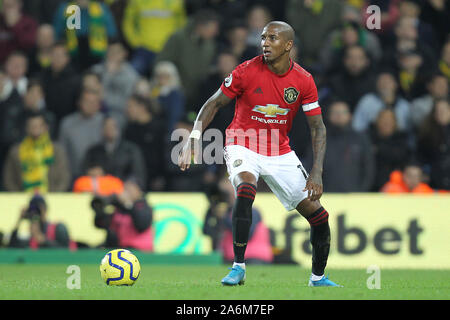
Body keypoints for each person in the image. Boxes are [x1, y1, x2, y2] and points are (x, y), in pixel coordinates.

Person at [178, 21, 341, 287]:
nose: (265, 42)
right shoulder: (245, 70)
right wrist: (193, 138)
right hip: (242, 143)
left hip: (280, 152)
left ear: (288, 45)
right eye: (263, 37)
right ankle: (238, 267)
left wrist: (317, 171)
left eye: (273, 38)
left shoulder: (303, 80)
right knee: (245, 189)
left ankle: (318, 278)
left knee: (319, 217)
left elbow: (318, 127)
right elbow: (213, 103)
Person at [203, 177, 273, 264]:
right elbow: (207, 231)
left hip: (254, 257)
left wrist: (224, 217)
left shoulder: (250, 210)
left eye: (226, 193)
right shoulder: (224, 211)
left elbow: (247, 234)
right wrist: (210, 212)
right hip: (230, 258)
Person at [3, 111, 70, 192]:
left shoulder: (57, 150)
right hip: (22, 200)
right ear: (26, 128)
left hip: (52, 198)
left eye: (39, 126)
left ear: (46, 127)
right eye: (32, 126)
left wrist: (53, 196)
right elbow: (9, 178)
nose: (35, 129)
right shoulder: (16, 151)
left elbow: (64, 177)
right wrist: (18, 196)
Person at [91, 178, 153, 251]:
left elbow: (142, 225)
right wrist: (100, 210)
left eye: (129, 190)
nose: (125, 193)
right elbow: (101, 225)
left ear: (138, 191)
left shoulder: (143, 206)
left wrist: (128, 204)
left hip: (140, 249)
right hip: (122, 249)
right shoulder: (120, 209)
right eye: (124, 189)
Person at [9, 194, 76, 249]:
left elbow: (65, 250)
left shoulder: (58, 228)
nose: (35, 212)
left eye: (38, 209)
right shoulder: (31, 235)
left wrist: (43, 240)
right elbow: (11, 245)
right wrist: (19, 221)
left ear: (45, 209)